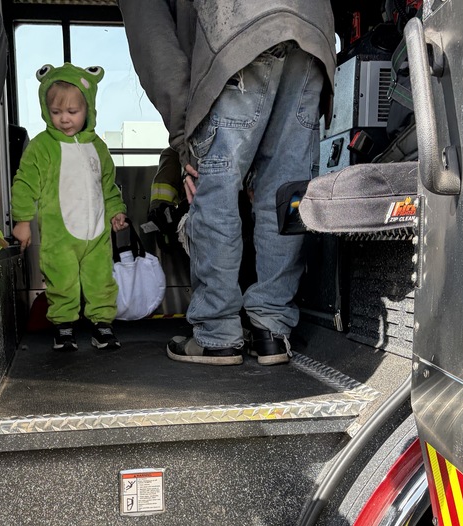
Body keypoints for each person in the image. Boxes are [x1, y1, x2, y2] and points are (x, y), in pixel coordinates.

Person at [119, 0, 336, 366]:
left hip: (234, 35)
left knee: (214, 190)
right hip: (310, 35)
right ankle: (271, 328)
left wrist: (185, 141)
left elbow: (153, 39)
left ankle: (217, 334)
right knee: (285, 194)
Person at [11, 62, 129, 352]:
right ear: (46, 110)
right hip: (59, 235)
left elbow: (108, 185)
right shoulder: (42, 147)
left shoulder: (98, 147)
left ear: (88, 109)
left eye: (72, 112)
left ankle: (103, 325)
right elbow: (25, 183)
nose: (64, 119)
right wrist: (23, 220)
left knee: (101, 278)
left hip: (97, 232)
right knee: (61, 280)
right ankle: (63, 328)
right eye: (56, 112)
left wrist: (116, 211)